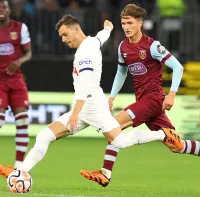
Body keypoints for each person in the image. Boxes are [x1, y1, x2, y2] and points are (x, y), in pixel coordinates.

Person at [0, 14, 181, 179]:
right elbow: (101, 37)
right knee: (44, 136)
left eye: (65, 35)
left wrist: (75, 113)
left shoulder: (85, 53)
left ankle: (161, 134)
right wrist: (108, 28)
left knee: (119, 140)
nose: (63, 40)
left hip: (92, 106)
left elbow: (85, 86)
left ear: (76, 29)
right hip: (84, 106)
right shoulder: (92, 42)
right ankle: (21, 172)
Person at [80, 4, 200, 187]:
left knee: (113, 126)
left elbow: (178, 67)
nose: (126, 27)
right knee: (177, 145)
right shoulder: (123, 47)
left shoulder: (152, 46)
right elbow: (121, 73)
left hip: (153, 99)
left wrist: (172, 94)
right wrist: (111, 98)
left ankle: (105, 173)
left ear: (140, 23)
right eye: (123, 23)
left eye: (130, 23)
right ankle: (167, 136)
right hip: (145, 102)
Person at [0, 0, 32, 168]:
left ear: (9, 9)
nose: (1, 9)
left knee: (22, 121)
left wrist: (19, 61)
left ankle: (20, 166)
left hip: (16, 79)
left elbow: (28, 53)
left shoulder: (20, 28)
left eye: (4, 6)